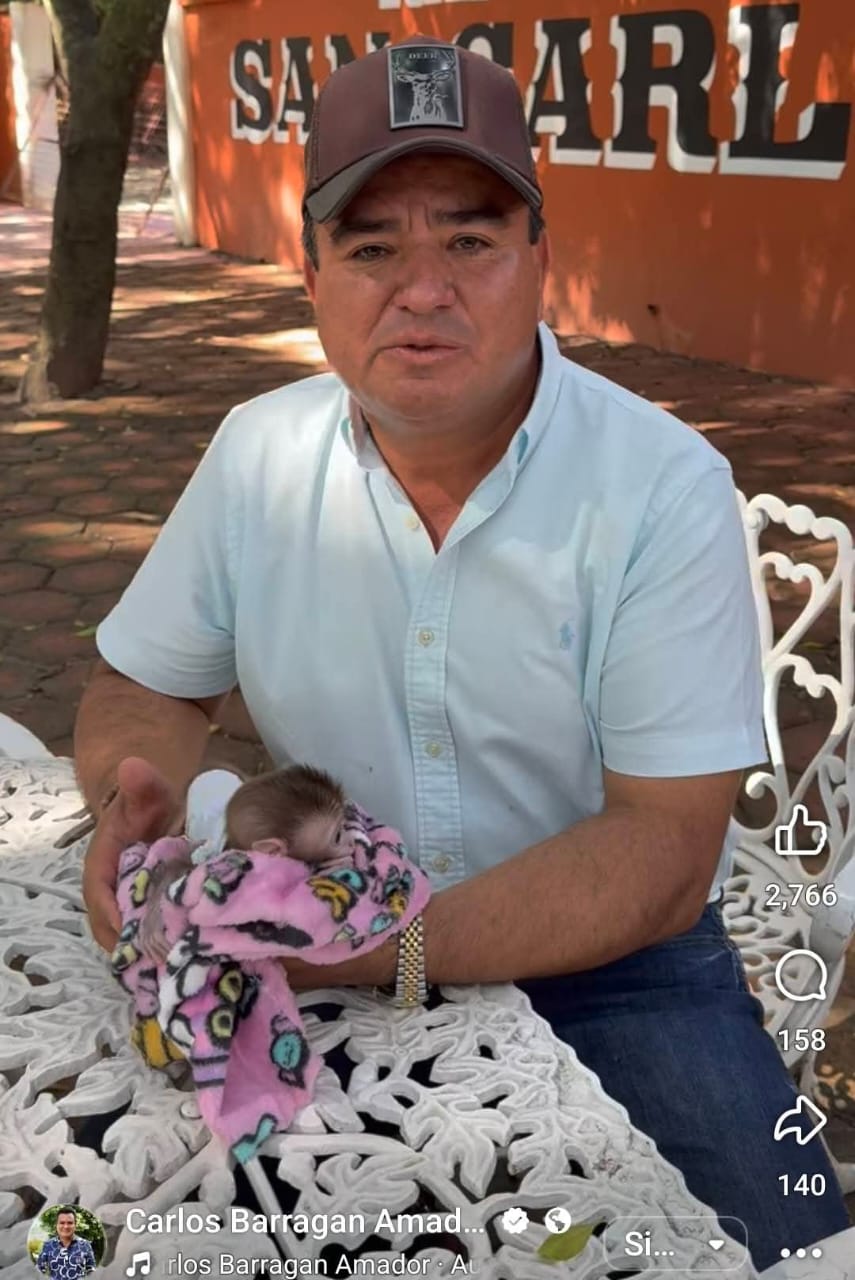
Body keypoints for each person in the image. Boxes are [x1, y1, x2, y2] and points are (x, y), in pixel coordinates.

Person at [74, 34, 849, 1270]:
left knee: (791, 1249)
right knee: (125, 1215)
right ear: (312, 273)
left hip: (622, 966)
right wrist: (135, 813)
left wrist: (381, 947)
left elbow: (662, 849)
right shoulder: (257, 455)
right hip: (311, 937)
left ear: (541, 258)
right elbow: (144, 685)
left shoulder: (661, 485)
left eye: (471, 240)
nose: (422, 289)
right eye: (372, 247)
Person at [35, 1208, 96, 1278]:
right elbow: (38, 1271)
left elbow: (92, 1272)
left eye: (70, 1223)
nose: (66, 1226)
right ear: (56, 1225)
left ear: (75, 1225)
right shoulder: (48, 1245)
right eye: (62, 1223)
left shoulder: (85, 1245)